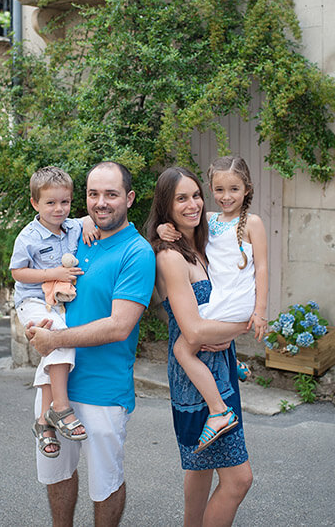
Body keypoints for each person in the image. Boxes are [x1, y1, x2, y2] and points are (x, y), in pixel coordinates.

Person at [26, 161, 155, 526]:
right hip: (56, 385)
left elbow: (119, 326)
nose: (101, 203)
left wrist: (54, 340)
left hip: (103, 389)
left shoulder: (137, 252)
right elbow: (41, 289)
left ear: (129, 198)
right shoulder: (73, 236)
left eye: (111, 194)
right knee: (57, 473)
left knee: (106, 482)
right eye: (93, 194)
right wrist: (36, 328)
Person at [146, 166, 253, 526]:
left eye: (195, 195)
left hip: (218, 364)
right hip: (197, 376)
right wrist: (246, 325)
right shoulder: (171, 256)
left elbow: (225, 207)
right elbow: (192, 333)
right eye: (180, 199)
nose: (192, 204)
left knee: (200, 468)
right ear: (165, 205)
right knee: (239, 480)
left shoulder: (197, 243)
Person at [156, 157, 268, 452]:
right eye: (219, 189)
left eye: (234, 188)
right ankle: (234, 364)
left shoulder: (251, 223)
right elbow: (175, 222)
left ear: (247, 189)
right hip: (225, 301)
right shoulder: (211, 221)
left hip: (238, 305)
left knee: (184, 346)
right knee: (198, 325)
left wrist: (260, 312)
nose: (226, 196)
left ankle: (218, 411)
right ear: (212, 190)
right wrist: (160, 231)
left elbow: (264, 268)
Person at [10, 166, 96, 458]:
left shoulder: (73, 227)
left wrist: (85, 221)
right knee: (59, 337)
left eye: (65, 202)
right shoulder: (28, 237)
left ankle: (43, 423)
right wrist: (53, 273)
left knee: (54, 349)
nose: (59, 209)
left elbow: (84, 220)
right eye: (50, 203)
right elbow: (18, 272)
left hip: (60, 302)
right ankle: (60, 408)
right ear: (35, 203)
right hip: (32, 301)